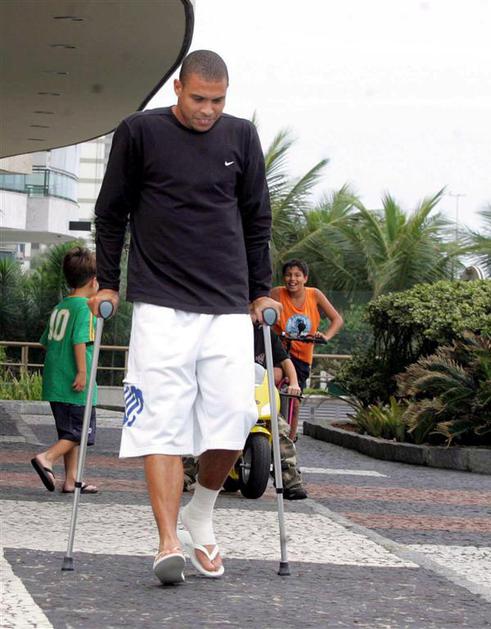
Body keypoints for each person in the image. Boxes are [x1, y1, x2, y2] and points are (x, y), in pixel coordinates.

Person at [90, 50, 280, 584]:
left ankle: (201, 512)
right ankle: (168, 540)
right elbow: (110, 213)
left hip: (227, 304)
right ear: (178, 87)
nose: (207, 110)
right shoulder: (139, 132)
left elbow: (257, 219)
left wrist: (260, 292)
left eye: (217, 101)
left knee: (237, 416)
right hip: (160, 303)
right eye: (199, 98)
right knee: (161, 424)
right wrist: (107, 281)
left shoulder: (241, 136)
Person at [183, 323, 308, 500]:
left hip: (257, 392)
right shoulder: (225, 329)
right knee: (207, 425)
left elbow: (285, 361)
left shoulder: (266, 334)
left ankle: (290, 481)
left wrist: (294, 382)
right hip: (226, 391)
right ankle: (185, 473)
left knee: (280, 429)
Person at [31, 246, 99, 495]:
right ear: (93, 281)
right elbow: (79, 340)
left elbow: (46, 341)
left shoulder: (61, 307)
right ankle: (46, 458)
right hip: (75, 383)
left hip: (56, 381)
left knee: (69, 433)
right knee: (80, 432)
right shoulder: (85, 308)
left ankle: (72, 480)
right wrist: (82, 372)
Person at [271, 259, 343, 439]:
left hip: (302, 356)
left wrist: (325, 336)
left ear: (305, 278)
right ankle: (268, 426)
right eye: (288, 275)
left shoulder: (314, 295)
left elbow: (337, 319)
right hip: (279, 351)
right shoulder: (277, 293)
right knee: (275, 378)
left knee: (295, 402)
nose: (292, 279)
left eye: (297, 275)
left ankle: (290, 441)